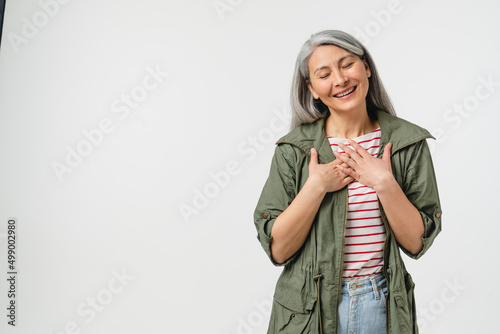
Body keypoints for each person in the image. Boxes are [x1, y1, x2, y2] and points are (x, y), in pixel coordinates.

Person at [253, 30, 442, 334]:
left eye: (347, 64)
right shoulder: (294, 150)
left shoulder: (407, 143)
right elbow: (278, 251)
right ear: (311, 88)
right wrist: (315, 188)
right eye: (324, 74)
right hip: (307, 310)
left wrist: (384, 183)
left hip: (380, 306)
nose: (340, 80)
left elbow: (416, 244)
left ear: (366, 68)